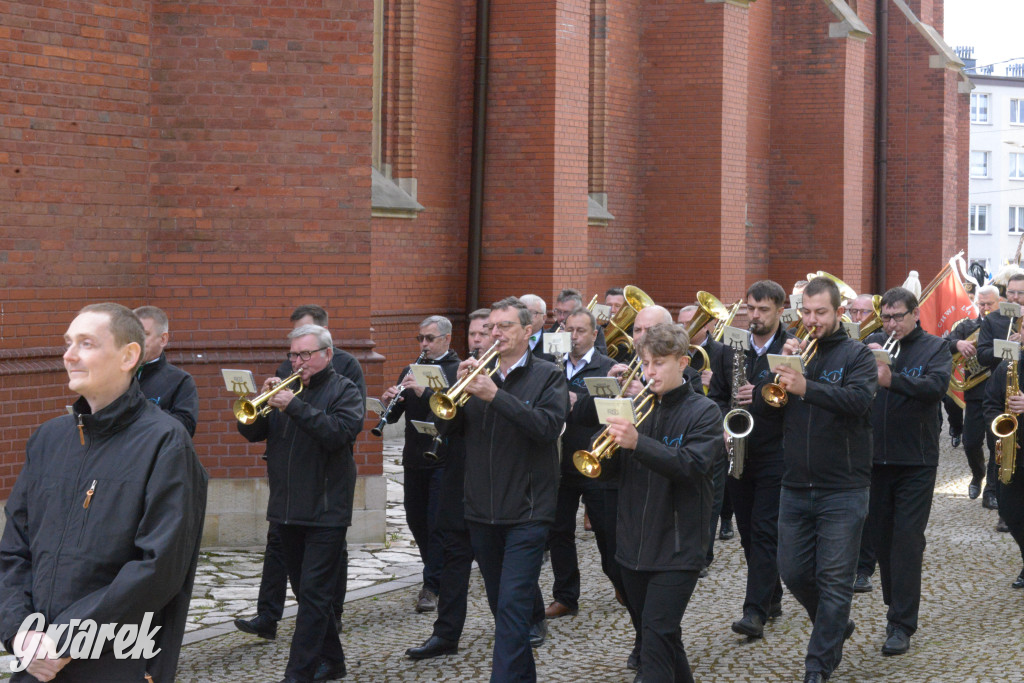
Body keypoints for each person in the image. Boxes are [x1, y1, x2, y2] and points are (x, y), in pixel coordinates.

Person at [0, 303, 207, 682]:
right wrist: (20, 633)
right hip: (35, 659)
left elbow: (159, 567)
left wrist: (65, 640)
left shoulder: (165, 443)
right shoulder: (48, 440)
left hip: (116, 659)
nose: (68, 355)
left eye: (87, 343)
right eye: (67, 342)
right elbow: (14, 547)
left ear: (129, 355)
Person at [751, 276, 877, 683]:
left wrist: (806, 386)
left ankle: (817, 666)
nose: (811, 320)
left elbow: (858, 402)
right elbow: (763, 408)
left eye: (820, 312)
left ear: (838, 312)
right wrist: (778, 375)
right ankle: (835, 624)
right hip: (795, 483)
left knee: (835, 580)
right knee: (794, 573)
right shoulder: (789, 350)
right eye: (805, 312)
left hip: (843, 486)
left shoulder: (857, 355)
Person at [438, 297, 568, 682]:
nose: (495, 334)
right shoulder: (477, 374)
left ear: (527, 332)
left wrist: (495, 395)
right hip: (481, 509)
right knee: (501, 606)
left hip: (528, 511)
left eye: (505, 326)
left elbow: (546, 428)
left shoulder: (548, 376)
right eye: (491, 327)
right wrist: (455, 390)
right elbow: (447, 433)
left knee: (512, 605)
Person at [238, 324, 364, 683]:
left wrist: (293, 406)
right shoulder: (285, 390)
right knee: (308, 592)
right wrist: (261, 407)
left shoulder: (345, 390)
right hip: (286, 508)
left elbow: (338, 434)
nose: (297, 362)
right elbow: (251, 433)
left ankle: (299, 673)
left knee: (313, 597)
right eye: (293, 354)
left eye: (305, 355)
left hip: (326, 510)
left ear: (327, 354)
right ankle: (334, 662)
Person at [605, 322, 720, 683]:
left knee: (654, 642)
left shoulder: (704, 411)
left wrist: (638, 442)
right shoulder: (636, 407)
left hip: (678, 547)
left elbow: (693, 466)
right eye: (645, 363)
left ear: (683, 362)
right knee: (663, 637)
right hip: (633, 547)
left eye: (659, 363)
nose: (649, 371)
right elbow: (609, 472)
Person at [862, 287, 951, 655]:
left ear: (915, 314)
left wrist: (891, 379)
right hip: (876, 459)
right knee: (881, 539)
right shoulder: (873, 342)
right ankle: (894, 605)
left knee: (907, 541)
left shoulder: (935, 348)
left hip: (916, 460)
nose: (892, 323)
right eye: (886, 316)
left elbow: (935, 388)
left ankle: (901, 623)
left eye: (898, 316)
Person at [708, 280, 791, 639]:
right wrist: (721, 428)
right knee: (746, 532)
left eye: (763, 310)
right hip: (737, 450)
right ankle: (771, 595)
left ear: (780, 311)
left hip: (777, 451)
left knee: (764, 530)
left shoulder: (791, 349)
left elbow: (798, 403)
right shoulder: (730, 347)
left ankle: (753, 612)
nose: (755, 317)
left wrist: (759, 393)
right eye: (750, 310)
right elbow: (716, 396)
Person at [406, 309, 489, 660]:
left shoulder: (527, 376)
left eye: (487, 332)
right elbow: (447, 421)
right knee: (453, 558)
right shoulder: (457, 373)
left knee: (497, 562)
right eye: (474, 333)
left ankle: (528, 621)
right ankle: (445, 634)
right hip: (453, 474)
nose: (478, 340)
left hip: (493, 483)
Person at [379, 316, 460, 613]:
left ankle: (432, 585)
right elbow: (394, 417)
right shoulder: (410, 369)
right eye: (421, 339)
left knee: (437, 523)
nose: (424, 344)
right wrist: (389, 401)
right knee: (416, 521)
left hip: (443, 459)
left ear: (446, 339)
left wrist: (422, 392)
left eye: (430, 338)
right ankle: (436, 571)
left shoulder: (456, 370)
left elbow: (449, 411)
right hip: (414, 458)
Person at [544, 308, 618, 620]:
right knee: (558, 531)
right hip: (558, 460)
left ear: (593, 334)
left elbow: (612, 412)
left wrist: (578, 402)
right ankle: (565, 596)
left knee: (605, 528)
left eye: (580, 331)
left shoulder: (608, 367)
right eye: (569, 330)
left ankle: (621, 582)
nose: (573, 337)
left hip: (594, 460)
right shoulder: (549, 365)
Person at [678, 303, 728, 570]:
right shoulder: (676, 353)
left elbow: (732, 390)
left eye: (692, 324)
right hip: (683, 430)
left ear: (706, 326)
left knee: (711, 496)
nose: (686, 329)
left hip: (711, 427)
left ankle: (703, 556)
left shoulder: (720, 352)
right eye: (683, 324)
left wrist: (713, 381)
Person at [944, 285, 999, 499]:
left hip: (998, 392)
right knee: (971, 442)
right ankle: (978, 474)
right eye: (981, 304)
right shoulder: (967, 326)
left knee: (997, 444)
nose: (985, 308)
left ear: (999, 302)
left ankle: (991, 490)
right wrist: (958, 343)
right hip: (975, 393)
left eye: (989, 304)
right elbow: (943, 343)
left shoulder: (1008, 325)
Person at [975, 275, 1023, 513]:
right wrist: (1006, 347)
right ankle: (992, 491)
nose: (1015, 297)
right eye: (1011, 292)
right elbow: (982, 355)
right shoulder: (994, 320)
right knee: (997, 444)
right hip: (999, 387)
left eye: (1020, 293)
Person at [982, 338, 1024, 593]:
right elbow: (990, 403)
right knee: (1010, 512)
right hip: (1013, 453)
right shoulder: (1009, 366)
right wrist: (1000, 431)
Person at [133, 305, 200, 437]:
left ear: (163, 339)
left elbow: (185, 428)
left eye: (144, 335)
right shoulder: (116, 375)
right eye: (133, 334)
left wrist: (141, 409)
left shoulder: (181, 381)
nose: (137, 341)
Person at [521, 293, 555, 362]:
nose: (526, 316)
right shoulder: (511, 339)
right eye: (523, 312)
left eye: (532, 313)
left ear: (544, 318)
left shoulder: (553, 341)